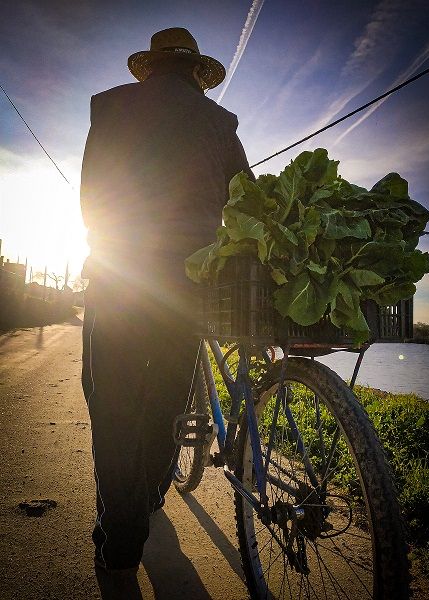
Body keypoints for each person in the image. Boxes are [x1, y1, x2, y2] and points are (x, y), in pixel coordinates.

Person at [80, 27, 254, 573]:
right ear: (196, 74)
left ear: (151, 68)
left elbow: (93, 193)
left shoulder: (109, 107)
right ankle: (148, 499)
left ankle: (122, 527)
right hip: (190, 284)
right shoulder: (220, 123)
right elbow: (248, 202)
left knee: (111, 400)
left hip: (121, 275)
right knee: (164, 403)